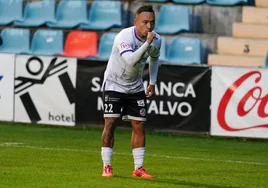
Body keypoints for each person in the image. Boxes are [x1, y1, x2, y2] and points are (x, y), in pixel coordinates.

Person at [101, 5, 161, 179]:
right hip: (114, 83)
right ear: (136, 22)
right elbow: (130, 61)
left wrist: (152, 82)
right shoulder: (124, 37)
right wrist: (147, 43)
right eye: (144, 22)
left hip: (135, 85)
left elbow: (155, 59)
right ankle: (107, 166)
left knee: (139, 124)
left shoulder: (156, 40)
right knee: (111, 123)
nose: (149, 26)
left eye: (152, 22)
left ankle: (139, 168)